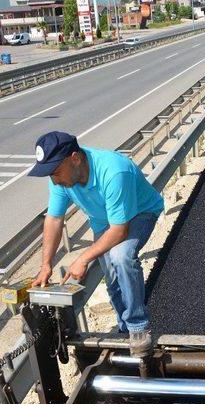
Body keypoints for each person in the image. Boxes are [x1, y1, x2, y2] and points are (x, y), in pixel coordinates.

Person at [28, 131, 164, 356]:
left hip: (140, 212)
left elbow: (119, 231)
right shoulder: (61, 179)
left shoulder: (113, 171)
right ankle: (124, 328)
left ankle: (138, 327)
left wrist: (83, 257)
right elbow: (53, 219)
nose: (54, 179)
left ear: (75, 158)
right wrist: (46, 265)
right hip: (104, 221)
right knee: (111, 274)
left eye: (56, 172)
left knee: (121, 257)